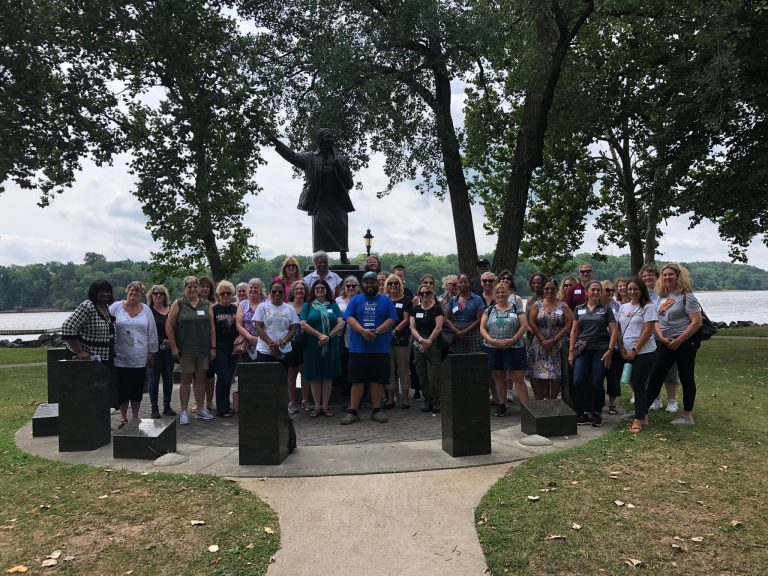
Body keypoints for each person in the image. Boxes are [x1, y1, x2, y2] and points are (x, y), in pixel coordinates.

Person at [271, 129, 355, 264]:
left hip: (338, 200)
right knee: (320, 226)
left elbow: (349, 184)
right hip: (320, 200)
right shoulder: (310, 158)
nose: (330, 140)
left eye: (331, 137)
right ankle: (321, 260)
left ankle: (343, 257)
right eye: (327, 137)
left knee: (341, 227)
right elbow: (292, 156)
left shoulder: (341, 158)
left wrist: (341, 167)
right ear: (320, 140)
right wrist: (277, 143)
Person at [645, 263, 703, 426]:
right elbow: (656, 319)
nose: (667, 277)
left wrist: (679, 340)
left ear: (679, 277)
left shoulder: (686, 296)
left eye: (671, 274)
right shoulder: (662, 296)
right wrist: (662, 337)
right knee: (656, 375)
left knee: (686, 377)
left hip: (685, 343)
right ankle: (641, 412)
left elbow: (696, 322)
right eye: (664, 275)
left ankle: (687, 415)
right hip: (666, 342)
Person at [341, 271, 398, 424]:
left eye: (371, 282)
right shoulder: (356, 300)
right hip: (358, 348)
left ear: (376, 283)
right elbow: (349, 318)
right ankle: (353, 411)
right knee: (357, 380)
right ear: (362, 284)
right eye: (366, 282)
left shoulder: (386, 300)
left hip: (379, 348)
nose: (369, 285)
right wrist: (362, 331)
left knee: (376, 380)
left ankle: (376, 410)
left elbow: (392, 319)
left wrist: (377, 331)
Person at [166, 276, 216, 425]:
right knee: (185, 380)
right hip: (185, 349)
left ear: (199, 288)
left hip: (203, 349)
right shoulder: (179, 303)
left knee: (201, 379)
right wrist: (174, 346)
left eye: (195, 287)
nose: (193, 289)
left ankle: (200, 409)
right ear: (185, 289)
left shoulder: (206, 304)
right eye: (189, 287)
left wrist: (213, 347)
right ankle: (184, 412)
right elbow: (169, 325)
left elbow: (212, 327)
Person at [61, 279, 118, 409]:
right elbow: (68, 327)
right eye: (102, 291)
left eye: (108, 291)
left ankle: (100, 423)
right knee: (90, 396)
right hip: (90, 361)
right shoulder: (88, 306)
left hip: (105, 359)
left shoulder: (106, 308)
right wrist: (79, 351)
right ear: (94, 292)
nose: (105, 294)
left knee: (103, 395)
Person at [568, 280, 618, 427]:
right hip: (583, 348)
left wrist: (610, 350)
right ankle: (586, 411)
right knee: (578, 381)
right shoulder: (579, 308)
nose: (595, 292)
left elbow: (614, 331)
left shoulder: (605, 309)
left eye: (598, 290)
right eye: (593, 290)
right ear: (587, 292)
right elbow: (574, 331)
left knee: (597, 382)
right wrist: (571, 351)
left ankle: (596, 412)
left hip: (601, 348)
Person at [109, 282, 158, 428]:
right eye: (132, 290)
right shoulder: (116, 307)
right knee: (122, 388)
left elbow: (152, 332)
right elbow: (105, 323)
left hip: (140, 357)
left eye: (138, 291)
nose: (134, 293)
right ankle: (123, 417)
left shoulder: (146, 310)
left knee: (137, 389)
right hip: (120, 357)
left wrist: (152, 351)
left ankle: (135, 416)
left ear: (142, 295)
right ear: (127, 291)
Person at [480, 281, 529, 416]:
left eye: (503, 292)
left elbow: (524, 326)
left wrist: (513, 339)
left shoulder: (516, 308)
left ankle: (526, 407)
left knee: (518, 377)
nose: (501, 294)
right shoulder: (489, 310)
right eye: (498, 292)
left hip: (514, 347)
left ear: (508, 293)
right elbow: (482, 328)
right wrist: (490, 340)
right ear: (495, 294)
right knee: (498, 376)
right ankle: (502, 404)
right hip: (493, 347)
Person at [618, 277, 658, 434]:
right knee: (633, 385)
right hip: (626, 352)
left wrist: (634, 350)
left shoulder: (648, 307)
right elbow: (620, 330)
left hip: (644, 352)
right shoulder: (623, 307)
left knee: (639, 385)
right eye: (630, 289)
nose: (632, 292)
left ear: (642, 290)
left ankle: (638, 420)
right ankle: (643, 415)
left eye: (636, 289)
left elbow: (648, 331)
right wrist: (621, 348)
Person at [300, 279, 344, 417]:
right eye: (317, 288)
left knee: (327, 375)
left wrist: (328, 337)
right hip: (313, 345)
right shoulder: (308, 306)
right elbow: (303, 324)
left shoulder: (333, 305)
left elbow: (340, 323)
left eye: (322, 288)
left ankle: (325, 407)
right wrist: (320, 336)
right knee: (315, 376)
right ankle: (316, 407)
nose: (320, 290)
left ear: (327, 290)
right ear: (313, 290)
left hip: (330, 344)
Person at [640, 263, 680, 412]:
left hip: (666, 337)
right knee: (651, 371)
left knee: (670, 371)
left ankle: (672, 400)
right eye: (644, 276)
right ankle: (655, 399)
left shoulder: (663, 293)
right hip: (648, 338)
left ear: (657, 277)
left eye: (650, 275)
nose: (647, 278)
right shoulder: (641, 295)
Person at [254, 281, 300, 410]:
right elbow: (258, 327)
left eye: (280, 291)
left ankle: (282, 407)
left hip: (284, 350)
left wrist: (282, 343)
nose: (277, 293)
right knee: (266, 381)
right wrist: (270, 343)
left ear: (284, 293)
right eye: (274, 291)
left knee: (283, 380)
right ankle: (267, 408)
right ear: (270, 293)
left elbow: (294, 328)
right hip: (264, 350)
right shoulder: (262, 307)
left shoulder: (289, 309)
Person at [527, 279, 572, 400]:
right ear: (543, 289)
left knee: (555, 374)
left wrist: (554, 339)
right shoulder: (538, 304)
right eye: (547, 288)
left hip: (557, 344)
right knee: (540, 374)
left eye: (552, 288)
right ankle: (541, 400)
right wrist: (542, 340)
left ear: (557, 290)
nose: (549, 291)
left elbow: (568, 324)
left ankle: (553, 401)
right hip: (539, 344)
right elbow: (532, 322)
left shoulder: (563, 306)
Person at [409, 282, 444, 413]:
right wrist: (421, 340)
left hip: (433, 342)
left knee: (433, 374)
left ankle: (437, 400)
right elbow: (412, 328)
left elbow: (439, 327)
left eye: (427, 293)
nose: (424, 295)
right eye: (421, 293)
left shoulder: (437, 309)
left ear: (432, 294)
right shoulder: (414, 310)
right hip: (418, 341)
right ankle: (427, 399)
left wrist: (429, 341)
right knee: (421, 373)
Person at [147, 284, 175, 418]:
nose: (158, 295)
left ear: (165, 296)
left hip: (170, 350)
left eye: (161, 293)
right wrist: (163, 341)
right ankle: (154, 408)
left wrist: (173, 343)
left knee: (168, 378)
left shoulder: (171, 309)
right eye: (155, 293)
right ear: (151, 296)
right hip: (154, 350)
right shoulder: (147, 311)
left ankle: (167, 406)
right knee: (154, 378)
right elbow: (146, 330)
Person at [212, 280, 239, 418]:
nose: (226, 295)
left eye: (228, 293)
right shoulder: (214, 309)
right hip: (219, 347)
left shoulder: (236, 309)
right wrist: (212, 348)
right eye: (223, 293)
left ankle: (226, 405)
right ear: (219, 295)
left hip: (233, 348)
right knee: (223, 376)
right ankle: (221, 408)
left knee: (229, 378)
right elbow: (211, 329)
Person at [386, 274, 412, 409]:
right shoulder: (384, 300)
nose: (393, 286)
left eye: (396, 283)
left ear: (400, 285)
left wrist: (395, 331)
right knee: (389, 369)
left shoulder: (406, 300)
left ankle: (406, 398)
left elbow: (406, 319)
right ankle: (390, 399)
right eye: (390, 284)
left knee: (403, 369)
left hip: (401, 338)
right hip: (385, 339)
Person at [335, 276, 359, 410]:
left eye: (353, 286)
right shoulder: (338, 300)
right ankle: (346, 397)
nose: (350, 288)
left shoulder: (361, 300)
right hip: (343, 339)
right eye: (348, 286)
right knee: (344, 369)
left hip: (358, 338)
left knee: (356, 369)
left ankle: (356, 398)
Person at [444, 273, 485, 354]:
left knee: (473, 359)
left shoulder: (477, 299)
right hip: (457, 334)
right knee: (458, 360)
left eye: (465, 282)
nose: (463, 284)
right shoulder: (453, 300)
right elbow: (447, 319)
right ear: (457, 284)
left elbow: (479, 319)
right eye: (460, 282)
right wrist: (456, 331)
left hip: (473, 333)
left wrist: (466, 331)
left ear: (469, 283)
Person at [288, 280, 312, 412]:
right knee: (292, 371)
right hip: (291, 343)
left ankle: (305, 399)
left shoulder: (309, 306)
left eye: (302, 289)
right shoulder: (287, 306)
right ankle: (291, 401)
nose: (299, 291)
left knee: (305, 371)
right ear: (292, 291)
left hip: (307, 342)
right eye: (297, 289)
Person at [601, 280, 622, 414]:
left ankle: (612, 404)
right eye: (607, 290)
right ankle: (599, 400)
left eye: (612, 290)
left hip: (615, 347)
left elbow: (620, 328)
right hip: (599, 346)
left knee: (613, 377)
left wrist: (620, 345)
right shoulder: (596, 306)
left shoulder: (619, 306)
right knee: (598, 376)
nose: (610, 293)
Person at [197, 275, 216, 412]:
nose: (205, 288)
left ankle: (209, 402)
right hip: (196, 345)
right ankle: (198, 402)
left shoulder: (215, 304)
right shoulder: (192, 303)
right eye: (202, 286)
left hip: (211, 344)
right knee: (196, 376)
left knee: (209, 376)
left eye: (207, 286)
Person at [235, 278, 265, 363]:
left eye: (256, 288)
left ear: (261, 290)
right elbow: (238, 325)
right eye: (251, 287)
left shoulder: (267, 303)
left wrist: (261, 339)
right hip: (247, 344)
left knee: (265, 371)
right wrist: (251, 338)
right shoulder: (243, 304)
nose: (253, 290)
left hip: (265, 343)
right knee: (248, 373)